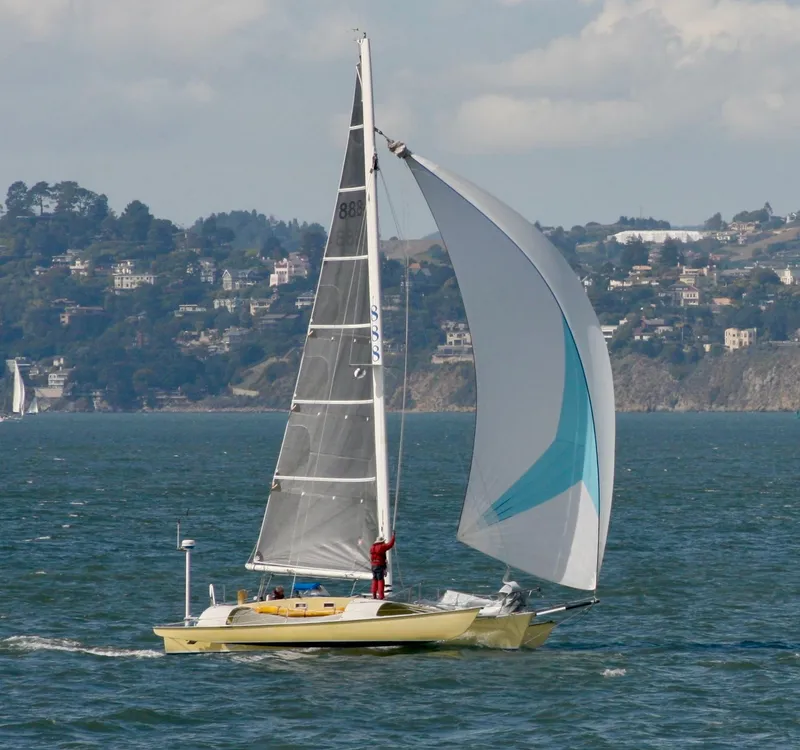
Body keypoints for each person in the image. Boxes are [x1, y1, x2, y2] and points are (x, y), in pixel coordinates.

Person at [369, 533, 395, 600]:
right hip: (379, 566)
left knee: (375, 580)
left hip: (373, 566)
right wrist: (393, 537)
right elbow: (390, 545)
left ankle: (374, 595)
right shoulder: (382, 546)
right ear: (382, 541)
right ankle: (381, 596)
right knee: (380, 581)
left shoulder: (372, 547)